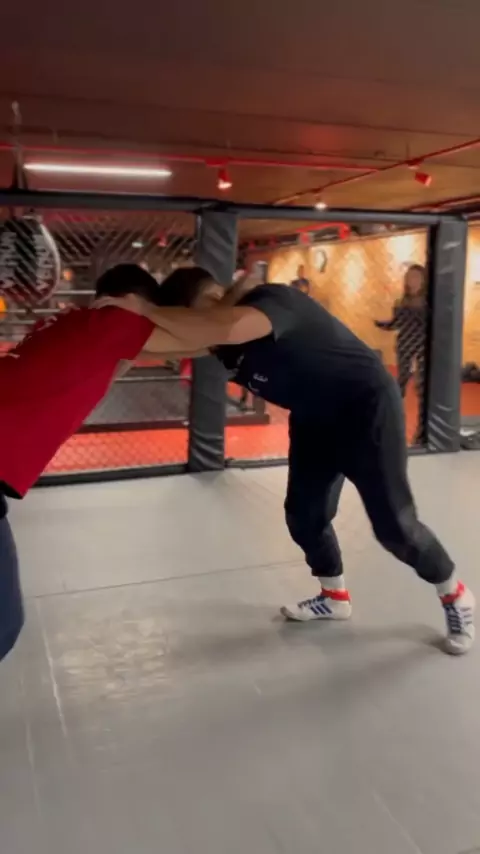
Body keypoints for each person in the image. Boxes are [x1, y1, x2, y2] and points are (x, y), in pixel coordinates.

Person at [118, 264, 474, 656]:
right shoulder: (219, 340)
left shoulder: (271, 301)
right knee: (304, 516)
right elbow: (166, 343)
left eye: (202, 309)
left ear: (215, 296)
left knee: (394, 526)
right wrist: (109, 338)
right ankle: (334, 597)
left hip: (365, 409)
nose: (203, 320)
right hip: (313, 418)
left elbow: (224, 326)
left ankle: (455, 593)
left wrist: (147, 310)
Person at [0, 264, 268, 662]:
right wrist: (246, 289)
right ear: (130, 301)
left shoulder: (80, 326)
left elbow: (193, 345)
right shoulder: (115, 321)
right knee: (4, 624)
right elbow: (214, 333)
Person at [374, 264, 426, 399]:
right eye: (409, 276)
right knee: (402, 379)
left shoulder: (428, 302)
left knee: (422, 382)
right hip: (405, 343)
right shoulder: (401, 302)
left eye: (416, 277)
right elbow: (397, 323)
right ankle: (396, 406)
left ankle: (424, 408)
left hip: (423, 344)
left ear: (423, 280)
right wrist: (382, 325)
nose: (412, 280)